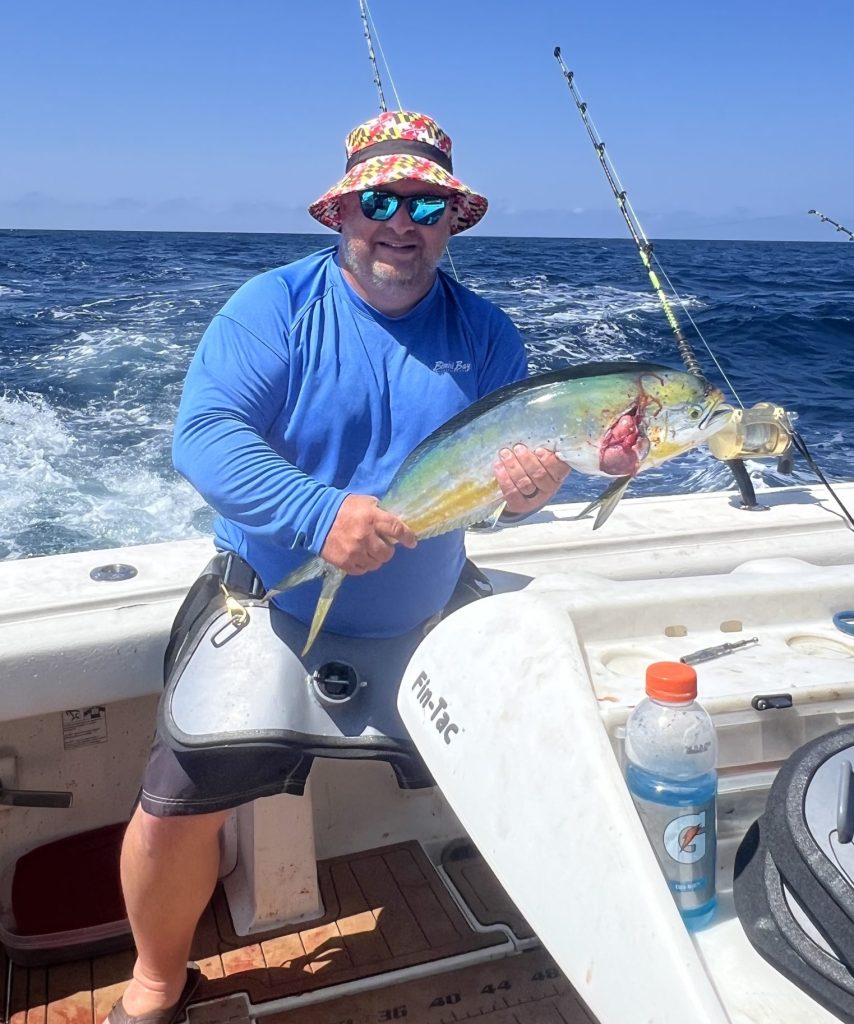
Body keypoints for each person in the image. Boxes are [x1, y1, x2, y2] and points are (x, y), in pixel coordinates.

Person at [110, 109, 569, 1024]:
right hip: (269, 607)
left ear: (452, 221)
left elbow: (506, 489)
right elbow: (203, 436)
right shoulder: (272, 306)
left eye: (426, 205)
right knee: (173, 804)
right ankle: (157, 982)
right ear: (342, 212)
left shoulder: (488, 335)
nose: (402, 223)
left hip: (424, 614)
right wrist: (320, 516)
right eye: (380, 200)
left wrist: (531, 490)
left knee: (541, 762)